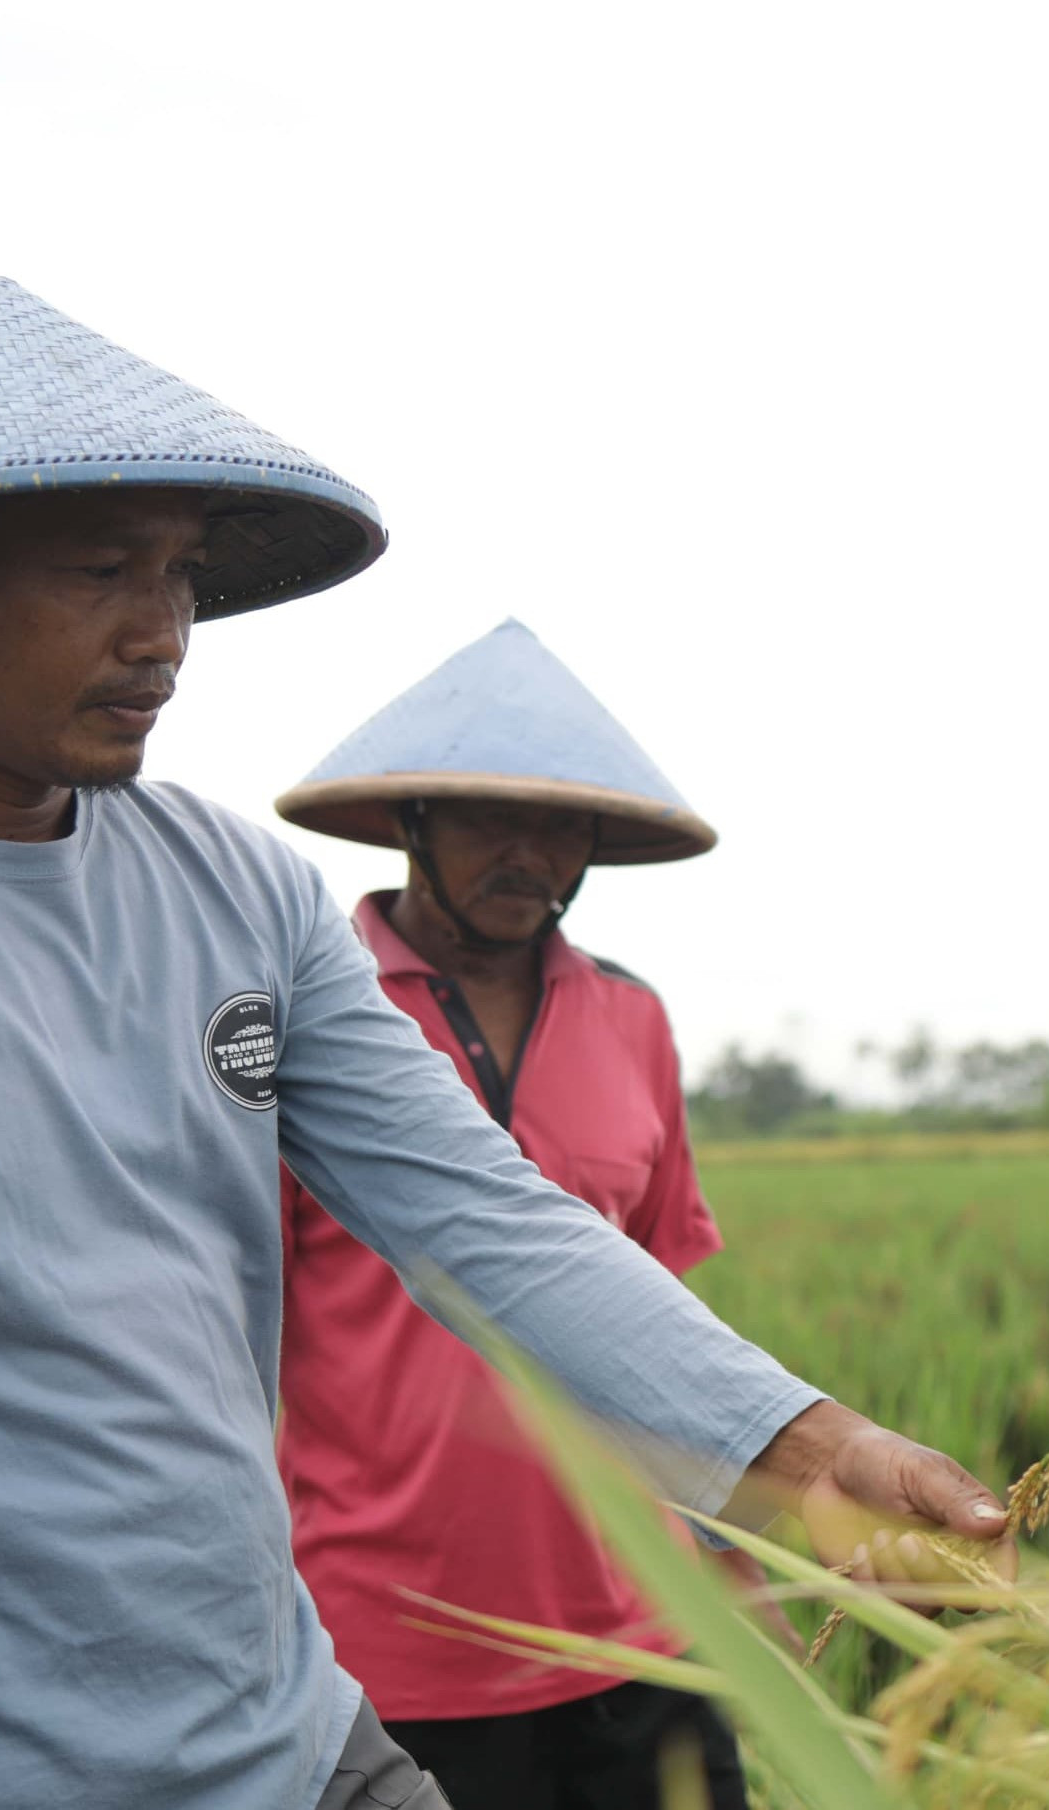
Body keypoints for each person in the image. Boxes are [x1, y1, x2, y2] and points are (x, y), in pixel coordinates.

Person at [0, 277, 1003, 1810]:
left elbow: (485, 1217)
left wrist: (807, 1447)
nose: (164, 634)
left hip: (304, 1748)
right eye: (105, 568)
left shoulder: (235, 891)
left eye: (179, 575)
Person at [270, 622, 768, 1808]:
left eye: (561, 825)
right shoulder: (301, 1018)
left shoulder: (631, 1020)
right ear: (411, 823)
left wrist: (730, 1543)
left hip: (644, 1622)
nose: (529, 853)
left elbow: (656, 1304)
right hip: (390, 1644)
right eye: (492, 818)